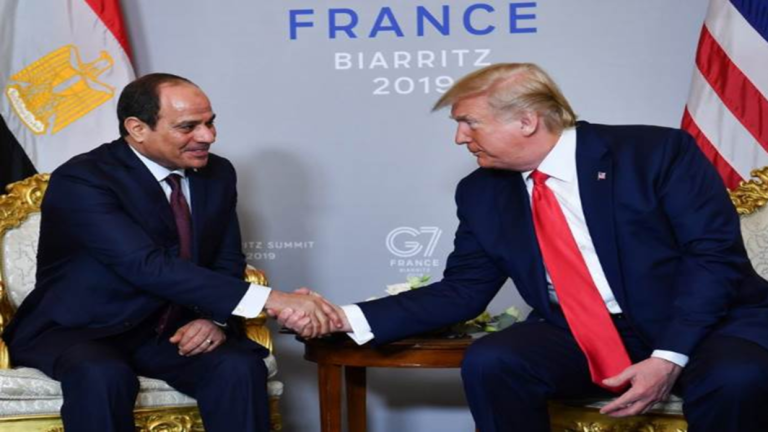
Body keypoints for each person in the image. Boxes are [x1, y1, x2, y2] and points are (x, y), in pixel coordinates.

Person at [280, 63, 768, 432]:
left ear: (527, 121)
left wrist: (669, 356)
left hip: (704, 323)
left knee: (737, 378)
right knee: (495, 360)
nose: (459, 138)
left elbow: (712, 259)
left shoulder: (655, 154)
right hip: (582, 330)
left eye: (469, 122)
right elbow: (463, 290)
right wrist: (344, 318)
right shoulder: (481, 191)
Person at [2, 73, 340, 432]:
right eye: (188, 127)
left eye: (210, 123)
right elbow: (144, 264)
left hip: (167, 331)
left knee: (238, 366)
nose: (207, 136)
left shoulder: (218, 173)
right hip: (81, 328)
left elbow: (226, 258)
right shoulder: (83, 179)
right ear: (137, 128)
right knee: (104, 376)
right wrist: (274, 300)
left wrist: (214, 318)